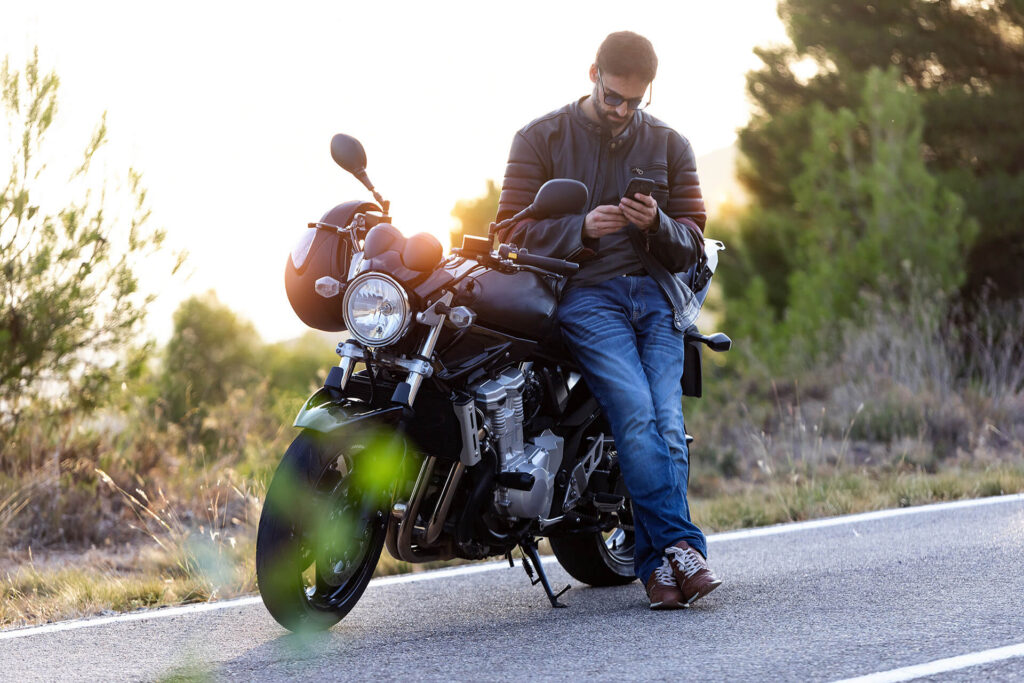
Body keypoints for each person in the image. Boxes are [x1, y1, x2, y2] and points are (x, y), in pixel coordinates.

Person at [496, 31, 721, 610]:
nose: (622, 111)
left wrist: (656, 226)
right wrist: (580, 230)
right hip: (586, 297)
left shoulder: (671, 145)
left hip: (657, 298)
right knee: (636, 409)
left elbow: (693, 244)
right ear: (592, 72)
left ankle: (656, 569)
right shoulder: (539, 137)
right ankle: (681, 545)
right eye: (613, 96)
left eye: (634, 102)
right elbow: (509, 235)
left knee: (667, 424)